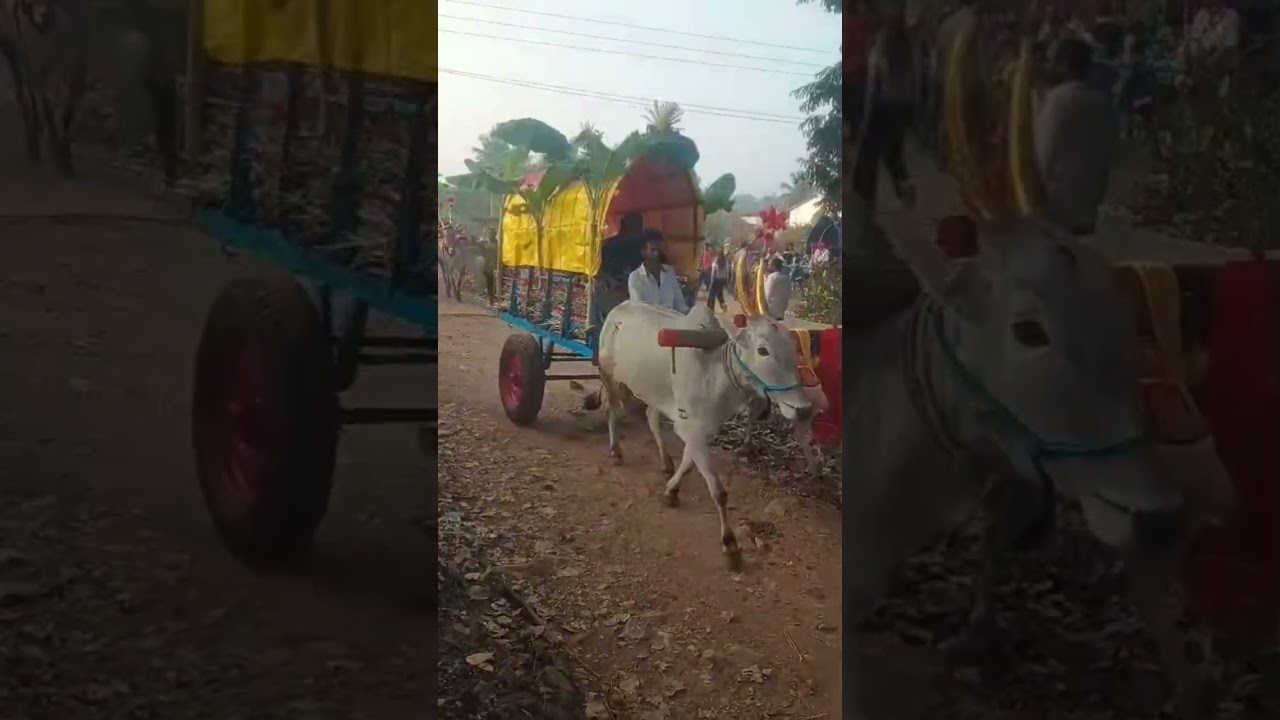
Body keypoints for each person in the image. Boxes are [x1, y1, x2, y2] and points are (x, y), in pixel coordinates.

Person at [1034, 35, 1120, 236]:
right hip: (1088, 207)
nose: (1046, 66)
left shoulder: (1061, 99)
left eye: (1050, 60)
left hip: (1056, 210)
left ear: (1064, 65)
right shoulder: (1104, 103)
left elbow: (1042, 159)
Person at [851, 9, 916, 210]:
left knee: (869, 151)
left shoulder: (883, 44)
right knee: (892, 151)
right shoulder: (905, 45)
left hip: (882, 104)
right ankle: (904, 189)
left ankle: (865, 195)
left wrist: (869, 107)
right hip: (902, 103)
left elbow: (877, 78)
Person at [628, 230, 689, 313]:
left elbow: (680, 305)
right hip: (648, 324)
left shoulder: (669, 272)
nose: (657, 254)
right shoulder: (636, 277)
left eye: (659, 249)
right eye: (652, 250)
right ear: (643, 252)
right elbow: (639, 310)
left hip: (671, 323)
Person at [762, 257, 792, 322]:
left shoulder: (772, 277)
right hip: (781, 310)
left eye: (769, 265)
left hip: (771, 311)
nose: (768, 266)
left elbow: (767, 295)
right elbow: (789, 294)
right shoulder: (786, 278)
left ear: (773, 266)